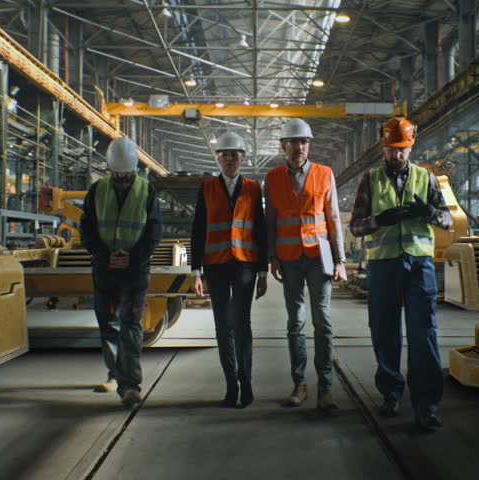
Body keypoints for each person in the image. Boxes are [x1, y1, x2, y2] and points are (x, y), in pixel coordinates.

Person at [349, 116, 452, 430]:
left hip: (419, 266)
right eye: (392, 149)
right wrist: (381, 219)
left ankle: (426, 406)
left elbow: (447, 220)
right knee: (385, 332)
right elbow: (355, 226)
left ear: (411, 146)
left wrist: (429, 213)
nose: (397, 155)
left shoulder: (427, 178)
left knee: (424, 335)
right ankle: (391, 394)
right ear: (383, 147)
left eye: (403, 149)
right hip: (383, 265)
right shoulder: (371, 179)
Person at [265, 118, 347, 410]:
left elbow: (334, 217)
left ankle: (326, 387)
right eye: (293, 141)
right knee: (295, 324)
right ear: (283, 145)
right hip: (288, 260)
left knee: (322, 321)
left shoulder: (325, 174)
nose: (299, 146)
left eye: (304, 142)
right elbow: (271, 221)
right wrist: (272, 256)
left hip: (318, 257)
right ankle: (299, 385)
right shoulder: (272, 178)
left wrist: (340, 260)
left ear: (308, 144)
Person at [79, 137, 163, 406]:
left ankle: (131, 385)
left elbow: (154, 231)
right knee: (108, 324)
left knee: (131, 324)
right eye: (118, 172)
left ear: (135, 168)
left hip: (135, 271)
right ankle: (115, 374)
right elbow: (87, 229)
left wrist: (133, 257)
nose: (122, 176)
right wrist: (105, 257)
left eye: (126, 172)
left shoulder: (146, 191)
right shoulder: (97, 191)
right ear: (110, 168)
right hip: (105, 270)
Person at [190, 132, 268, 408]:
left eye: (235, 154)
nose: (230, 159)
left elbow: (260, 229)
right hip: (215, 265)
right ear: (218, 158)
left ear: (243, 157)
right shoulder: (207, 187)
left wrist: (262, 272)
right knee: (223, 325)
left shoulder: (252, 187)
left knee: (241, 323)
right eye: (225, 155)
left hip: (245, 264)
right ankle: (231, 384)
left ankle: (246, 382)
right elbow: (198, 228)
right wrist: (195, 270)